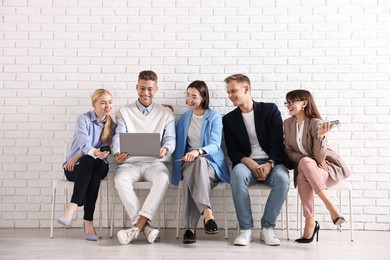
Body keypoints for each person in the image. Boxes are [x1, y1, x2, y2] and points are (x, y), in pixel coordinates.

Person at [222, 74, 292, 246]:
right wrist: (250, 163)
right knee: (237, 175)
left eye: (233, 91)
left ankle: (267, 228)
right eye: (228, 92)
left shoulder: (270, 110)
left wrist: (269, 164)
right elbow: (233, 151)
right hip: (247, 163)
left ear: (246, 89)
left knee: (283, 179)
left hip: (272, 162)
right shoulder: (229, 119)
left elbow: (277, 142)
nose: (230, 95)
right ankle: (246, 229)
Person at [113, 70, 175, 245]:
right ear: (136, 87)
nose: (145, 93)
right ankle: (144, 226)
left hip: (155, 163)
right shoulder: (124, 111)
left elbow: (170, 138)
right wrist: (117, 153)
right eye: (142, 88)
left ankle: (136, 227)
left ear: (156, 89)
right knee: (120, 180)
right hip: (129, 164)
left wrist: (166, 149)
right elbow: (119, 135)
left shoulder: (165, 113)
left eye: (149, 89)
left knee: (163, 178)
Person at [283, 89, 351, 243]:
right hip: (306, 166)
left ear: (304, 103)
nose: (288, 105)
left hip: (325, 170)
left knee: (302, 179)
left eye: (292, 101)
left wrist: (320, 137)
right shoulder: (287, 123)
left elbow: (320, 158)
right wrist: (307, 160)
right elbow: (288, 151)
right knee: (306, 162)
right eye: (287, 102)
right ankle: (332, 209)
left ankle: (310, 223)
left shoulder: (316, 123)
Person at [172, 80, 230, 244]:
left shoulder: (214, 117)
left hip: (211, 166)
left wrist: (198, 151)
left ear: (204, 98)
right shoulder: (185, 117)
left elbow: (215, 144)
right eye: (187, 95)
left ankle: (190, 229)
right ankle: (208, 214)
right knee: (194, 167)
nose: (189, 99)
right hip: (188, 164)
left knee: (194, 172)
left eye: (194, 96)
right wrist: (166, 112)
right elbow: (176, 139)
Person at [57, 88, 115, 241]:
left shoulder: (112, 124)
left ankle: (72, 207)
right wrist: (88, 154)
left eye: (109, 102)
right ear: (93, 104)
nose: (107, 106)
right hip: (74, 168)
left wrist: (96, 153)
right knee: (92, 167)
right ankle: (88, 221)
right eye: (103, 103)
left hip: (99, 164)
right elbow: (85, 144)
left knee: (93, 162)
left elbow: (110, 148)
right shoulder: (83, 119)